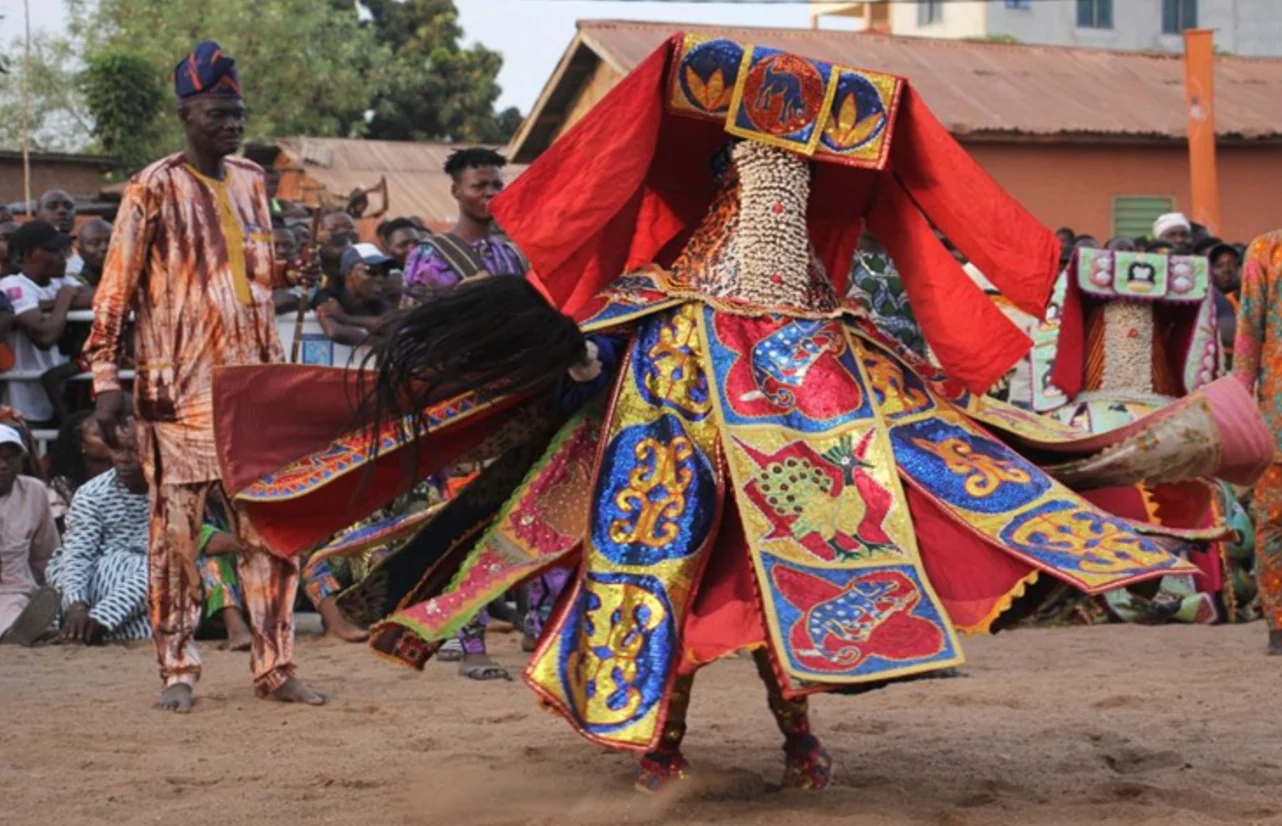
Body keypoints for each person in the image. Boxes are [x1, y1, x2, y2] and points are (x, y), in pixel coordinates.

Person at [222, 40, 1215, 791]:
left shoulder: (829, 317)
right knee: (673, 561)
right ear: (729, 187)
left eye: (797, 180)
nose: (784, 191)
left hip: (794, 405)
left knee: (793, 554)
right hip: (685, 408)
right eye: (767, 177)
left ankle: (789, 730)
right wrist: (576, 353)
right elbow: (594, 325)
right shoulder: (663, 297)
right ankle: (679, 732)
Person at [84, 39, 327, 712]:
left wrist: (290, 273)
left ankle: (276, 667)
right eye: (218, 112)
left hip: (253, 390)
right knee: (177, 536)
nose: (231, 124)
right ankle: (179, 670)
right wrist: (105, 377)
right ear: (187, 113)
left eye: (237, 113)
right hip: (178, 392)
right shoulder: (151, 187)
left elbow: (251, 271)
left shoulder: (252, 180)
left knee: (268, 531)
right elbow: (115, 289)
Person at [49, 420, 152, 643]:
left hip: (145, 582)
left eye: (133, 451)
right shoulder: (92, 493)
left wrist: (97, 614)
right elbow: (78, 553)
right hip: (100, 572)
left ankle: (89, 626)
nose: (124, 459)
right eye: (117, 449)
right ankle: (84, 621)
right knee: (156, 569)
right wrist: (76, 604)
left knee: (164, 575)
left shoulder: (169, 492)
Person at [1232, 229, 1282, 655]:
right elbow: (1249, 331)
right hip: (1276, 419)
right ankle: (1279, 627)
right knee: (1273, 526)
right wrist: (1238, 402)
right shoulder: (1265, 250)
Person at [401, 148, 528, 301]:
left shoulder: (511, 255)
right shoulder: (430, 255)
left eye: (497, 185)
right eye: (479, 186)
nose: (491, 193)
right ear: (456, 191)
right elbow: (412, 319)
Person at [0, 221, 93, 426]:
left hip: (62, 394)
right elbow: (46, 337)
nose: (62, 257)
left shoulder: (61, 282)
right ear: (29, 254)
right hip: (24, 401)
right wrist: (65, 299)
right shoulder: (12, 286)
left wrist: (47, 305)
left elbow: (95, 298)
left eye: (63, 250)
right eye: (54, 250)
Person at [0, 423, 60, 645]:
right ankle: (19, 635)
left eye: (10, 458)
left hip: (16, 590)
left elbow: (46, 553)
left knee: (17, 608)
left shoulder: (34, 491)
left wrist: (53, 589)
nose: (3, 465)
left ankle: (21, 633)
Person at [314, 243, 396, 346]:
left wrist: (346, 318)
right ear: (349, 273)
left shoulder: (378, 299)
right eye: (372, 270)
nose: (380, 278)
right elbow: (334, 332)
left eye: (384, 272)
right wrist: (383, 344)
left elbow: (392, 324)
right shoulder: (327, 294)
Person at [46, 409, 115, 527]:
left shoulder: (124, 476)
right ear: (80, 444)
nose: (109, 439)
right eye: (99, 435)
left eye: (109, 433)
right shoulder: (61, 486)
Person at [34, 189, 83, 277]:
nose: (62, 211)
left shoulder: (86, 259)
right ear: (36, 214)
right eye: (52, 206)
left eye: (68, 206)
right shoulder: (27, 261)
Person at [74, 218, 112, 289]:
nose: (105, 247)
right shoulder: (75, 285)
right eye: (95, 243)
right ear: (81, 253)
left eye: (111, 241)